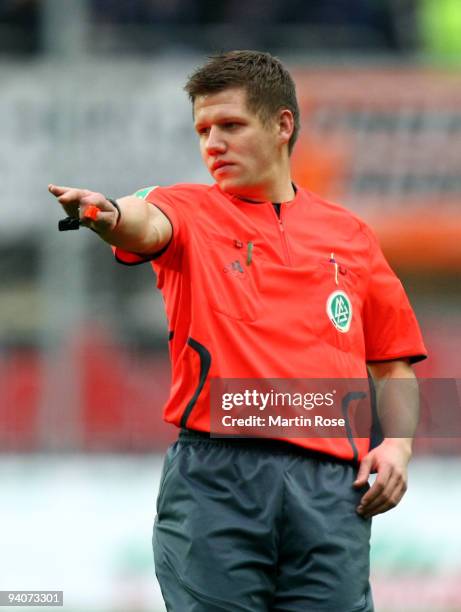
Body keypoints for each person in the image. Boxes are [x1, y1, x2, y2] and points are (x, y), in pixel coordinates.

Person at [49, 50, 427, 612]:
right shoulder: (187, 209)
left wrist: (396, 445)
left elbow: (392, 359)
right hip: (217, 481)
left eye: (230, 125)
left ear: (282, 125)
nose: (212, 144)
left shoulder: (351, 236)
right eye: (202, 129)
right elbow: (143, 222)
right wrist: (107, 214)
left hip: (332, 490)